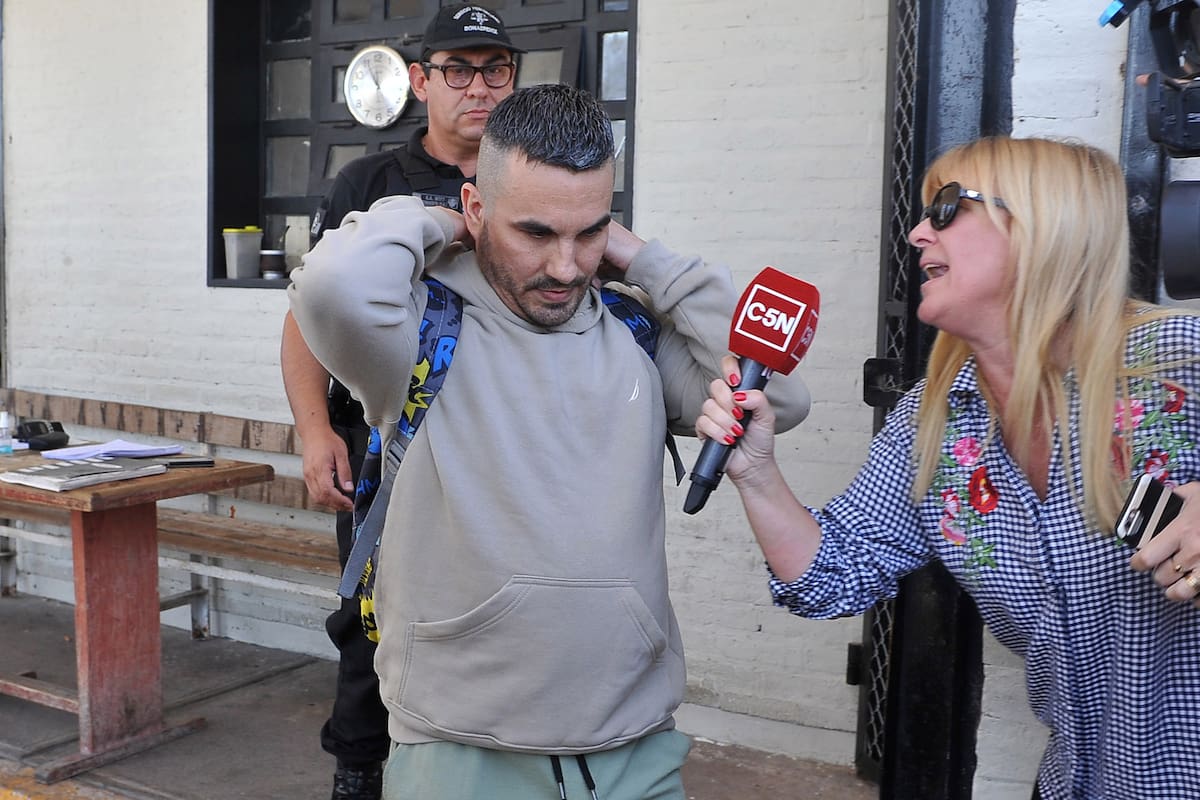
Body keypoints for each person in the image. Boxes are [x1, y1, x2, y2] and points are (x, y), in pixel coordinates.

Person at [288, 83, 812, 800]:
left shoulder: (632, 333)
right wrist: (442, 223)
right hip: (463, 752)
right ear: (478, 209)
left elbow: (776, 394)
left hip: (637, 750)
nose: (567, 267)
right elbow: (332, 284)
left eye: (589, 232)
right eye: (535, 232)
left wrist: (643, 261)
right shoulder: (419, 332)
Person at [695, 136, 1200, 800]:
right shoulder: (932, 419)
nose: (915, 233)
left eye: (946, 207)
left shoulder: (1180, 359)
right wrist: (755, 471)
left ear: (1044, 222)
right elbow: (830, 575)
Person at [279, 6, 523, 799]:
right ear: (420, 81)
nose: (478, 88)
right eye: (458, 69)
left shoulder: (527, 176)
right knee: (369, 617)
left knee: (498, 613)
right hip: (385, 444)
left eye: (495, 70)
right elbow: (303, 319)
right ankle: (360, 772)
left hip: (496, 441)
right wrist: (317, 433)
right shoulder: (368, 184)